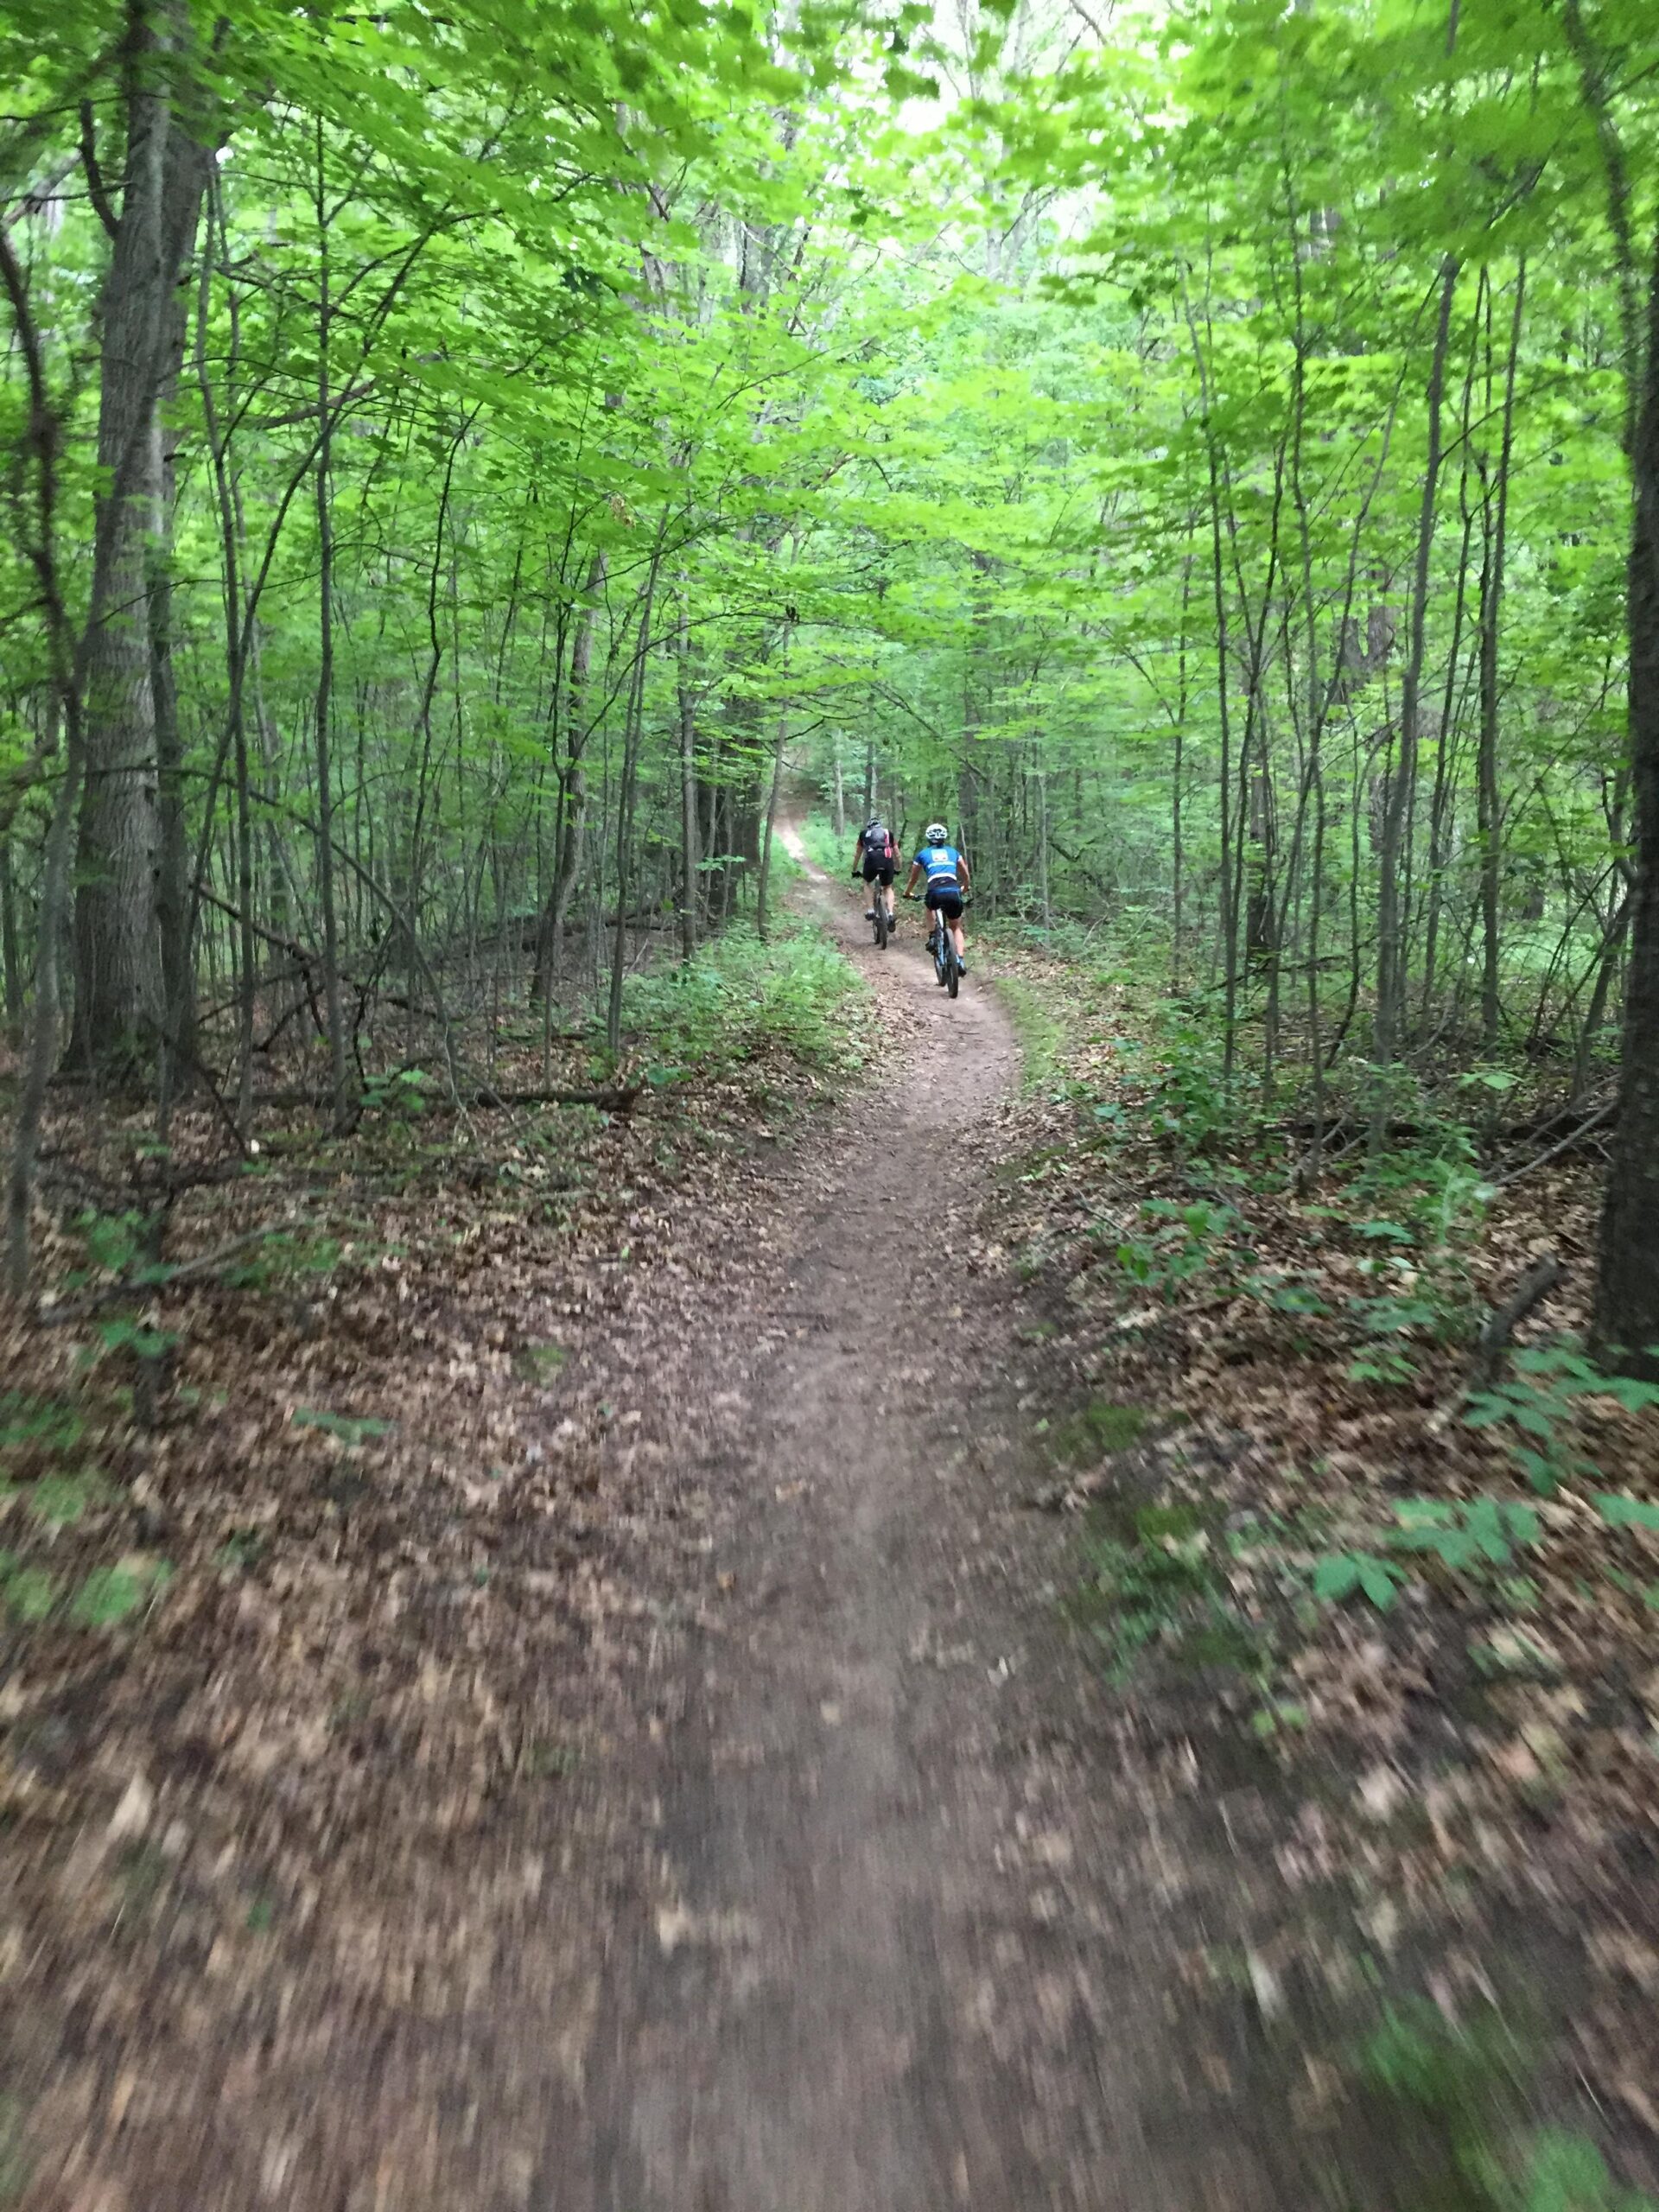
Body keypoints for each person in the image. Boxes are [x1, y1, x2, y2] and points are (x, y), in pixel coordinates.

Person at [904, 821, 971, 975]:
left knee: (929, 906)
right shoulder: (953, 852)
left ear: (928, 839)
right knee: (956, 927)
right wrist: (965, 887)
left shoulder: (922, 854)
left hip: (935, 892)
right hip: (954, 891)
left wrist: (908, 892)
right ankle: (960, 960)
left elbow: (913, 878)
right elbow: (965, 874)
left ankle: (933, 936)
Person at [852, 815, 899, 931]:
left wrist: (854, 869)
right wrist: (898, 868)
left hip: (871, 861)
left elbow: (858, 853)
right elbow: (897, 853)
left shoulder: (864, 834)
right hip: (887, 861)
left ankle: (871, 910)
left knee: (867, 883)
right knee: (888, 887)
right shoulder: (888, 833)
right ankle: (891, 913)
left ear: (869, 827)